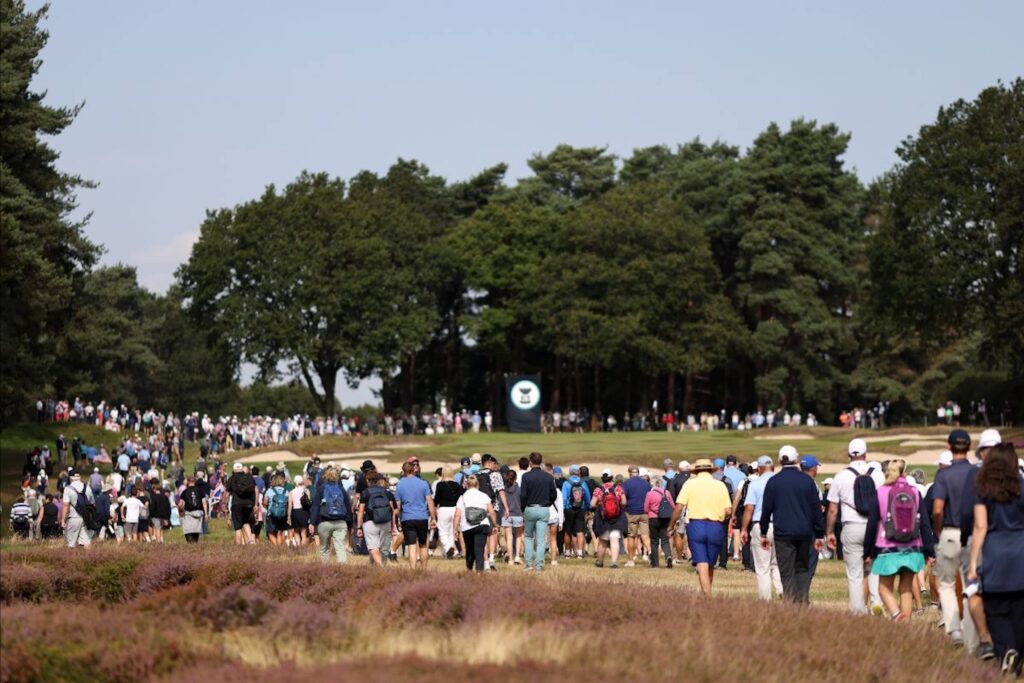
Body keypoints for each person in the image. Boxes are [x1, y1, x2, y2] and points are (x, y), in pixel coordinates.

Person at [967, 443, 1024, 675]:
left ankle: (1005, 652)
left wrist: (973, 563)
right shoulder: (1022, 487)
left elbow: (980, 526)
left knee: (996, 610)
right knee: (1020, 609)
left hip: (995, 553)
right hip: (1021, 551)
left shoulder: (983, 489)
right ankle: (1017, 654)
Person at [864, 459, 935, 621]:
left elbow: (872, 524)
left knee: (883, 588)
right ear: (904, 473)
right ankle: (906, 627)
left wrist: (868, 551)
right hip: (912, 547)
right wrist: (929, 550)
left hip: (888, 547)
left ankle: (897, 616)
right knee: (906, 589)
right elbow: (924, 524)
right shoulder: (914, 492)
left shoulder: (881, 492)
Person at [959, 428, 1005, 660]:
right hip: (1008, 540)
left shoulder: (974, 475)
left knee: (974, 589)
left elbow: (967, 515)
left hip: (982, 538)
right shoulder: (1017, 474)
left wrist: (965, 538)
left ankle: (980, 642)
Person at [759, 446, 825, 605]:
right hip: (804, 533)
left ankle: (790, 603)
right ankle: (802, 602)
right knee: (802, 569)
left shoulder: (773, 481)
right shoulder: (807, 481)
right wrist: (819, 533)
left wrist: (763, 532)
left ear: (780, 460)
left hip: (783, 534)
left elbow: (766, 510)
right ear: (796, 459)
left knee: (786, 572)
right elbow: (816, 510)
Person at [826, 438, 884, 614]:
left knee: (854, 574)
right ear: (866, 454)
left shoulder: (841, 476)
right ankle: (876, 604)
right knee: (874, 568)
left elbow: (833, 510)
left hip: (851, 526)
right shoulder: (878, 474)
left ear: (849, 455)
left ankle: (857, 610)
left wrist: (829, 532)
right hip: (874, 526)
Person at [931, 429, 977, 648]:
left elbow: (938, 509)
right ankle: (970, 637)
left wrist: (939, 532)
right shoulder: (977, 472)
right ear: (969, 447)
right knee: (970, 586)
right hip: (973, 533)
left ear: (949, 448)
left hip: (950, 531)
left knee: (947, 585)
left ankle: (954, 630)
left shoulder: (944, 475)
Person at [670, 459, 731, 595]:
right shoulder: (720, 485)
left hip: (696, 524)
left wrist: (671, 525)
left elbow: (679, 507)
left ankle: (707, 595)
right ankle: (708, 592)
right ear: (711, 470)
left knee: (701, 562)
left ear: (696, 471)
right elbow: (728, 510)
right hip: (716, 525)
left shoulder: (690, 484)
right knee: (710, 563)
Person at [741, 455, 783, 600]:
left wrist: (744, 529)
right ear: (773, 467)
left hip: (761, 525)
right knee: (777, 563)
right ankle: (781, 591)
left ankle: (765, 599)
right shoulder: (781, 482)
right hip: (780, 525)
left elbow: (749, 508)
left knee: (762, 567)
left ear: (759, 469)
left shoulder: (755, 484)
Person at [396, 460, 437, 570]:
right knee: (423, 545)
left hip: (407, 517)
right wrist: (433, 518)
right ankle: (424, 569)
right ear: (413, 470)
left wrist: (397, 518)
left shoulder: (400, 484)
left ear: (404, 471)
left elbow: (398, 505)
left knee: (412, 546)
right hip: (422, 517)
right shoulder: (423, 483)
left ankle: (413, 570)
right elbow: (430, 502)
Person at [519, 452, 557, 571]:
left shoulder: (526, 476)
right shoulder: (548, 477)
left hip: (530, 508)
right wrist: (548, 504)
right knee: (541, 539)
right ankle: (539, 565)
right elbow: (554, 494)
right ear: (540, 462)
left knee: (528, 537)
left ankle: (529, 564)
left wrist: (522, 508)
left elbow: (523, 495)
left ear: (530, 462)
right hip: (544, 508)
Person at [309, 465, 352, 563]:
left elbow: (315, 506)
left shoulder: (321, 488)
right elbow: (348, 507)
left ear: (325, 476)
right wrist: (350, 523)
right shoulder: (341, 489)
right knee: (340, 548)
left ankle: (326, 571)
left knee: (324, 549)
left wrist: (312, 522)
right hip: (341, 521)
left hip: (324, 522)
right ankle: (343, 571)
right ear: (337, 476)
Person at [454, 475, 497, 572]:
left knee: (469, 549)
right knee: (479, 549)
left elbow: (457, 515)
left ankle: (469, 569)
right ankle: (479, 572)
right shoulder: (484, 495)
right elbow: (492, 512)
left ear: (466, 485)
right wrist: (495, 524)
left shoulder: (462, 497)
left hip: (467, 526)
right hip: (482, 524)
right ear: (478, 484)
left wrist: (455, 528)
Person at [355, 471, 398, 567]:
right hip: (386, 522)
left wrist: (359, 527)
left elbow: (361, 511)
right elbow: (392, 510)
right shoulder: (386, 492)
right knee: (383, 549)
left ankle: (381, 568)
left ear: (367, 480)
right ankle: (374, 570)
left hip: (370, 522)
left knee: (373, 548)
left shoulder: (365, 492)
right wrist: (393, 525)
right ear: (377, 480)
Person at [622, 465, 652, 567]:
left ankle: (631, 560)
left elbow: (624, 499)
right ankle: (651, 555)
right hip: (644, 512)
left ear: (629, 473)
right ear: (638, 473)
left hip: (631, 512)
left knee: (631, 536)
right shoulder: (646, 484)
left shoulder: (626, 484)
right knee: (645, 535)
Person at [644, 475, 674, 568]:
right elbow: (673, 506)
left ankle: (655, 563)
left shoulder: (650, 494)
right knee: (665, 540)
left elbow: (645, 508)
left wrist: (652, 511)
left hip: (653, 518)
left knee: (654, 541)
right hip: (665, 519)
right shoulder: (667, 492)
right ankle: (668, 556)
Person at [433, 465, 462, 559]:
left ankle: (448, 548)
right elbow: (460, 498)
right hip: (454, 509)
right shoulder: (457, 485)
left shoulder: (440, 485)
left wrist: (433, 508)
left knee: (442, 531)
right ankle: (450, 551)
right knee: (451, 531)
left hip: (443, 509)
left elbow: (436, 499)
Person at [225, 462, 256, 545]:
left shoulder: (231, 478)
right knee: (246, 522)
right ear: (242, 469)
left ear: (234, 470)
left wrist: (225, 506)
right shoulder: (249, 477)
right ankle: (251, 540)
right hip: (248, 504)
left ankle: (238, 547)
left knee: (238, 527)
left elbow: (227, 494)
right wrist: (254, 504)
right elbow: (254, 490)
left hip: (237, 504)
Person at [61, 471, 93, 549]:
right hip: (86, 518)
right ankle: (88, 560)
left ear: (70, 478)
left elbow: (65, 506)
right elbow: (92, 504)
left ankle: (71, 560)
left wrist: (62, 520)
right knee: (86, 543)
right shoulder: (87, 487)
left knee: (71, 544)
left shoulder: (68, 489)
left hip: (73, 518)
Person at [501, 467, 524, 564]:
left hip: (506, 515)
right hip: (518, 514)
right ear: (515, 478)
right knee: (518, 536)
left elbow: (501, 502)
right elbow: (522, 501)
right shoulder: (519, 489)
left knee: (509, 538)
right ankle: (517, 556)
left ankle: (510, 558)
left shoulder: (503, 490)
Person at [178, 476, 207, 543]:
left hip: (188, 515)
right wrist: (206, 513)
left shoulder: (184, 492)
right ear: (195, 482)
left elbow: (180, 504)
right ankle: (194, 546)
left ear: (188, 482)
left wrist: (180, 512)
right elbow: (204, 502)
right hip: (199, 514)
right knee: (196, 533)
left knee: (188, 532)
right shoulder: (200, 491)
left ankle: (190, 544)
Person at [288, 474, 311, 547]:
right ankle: (303, 548)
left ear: (295, 482)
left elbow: (290, 505)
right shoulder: (306, 490)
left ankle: (298, 546)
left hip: (295, 512)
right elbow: (309, 502)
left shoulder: (291, 492)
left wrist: (288, 516)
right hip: (304, 511)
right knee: (304, 532)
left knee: (296, 531)